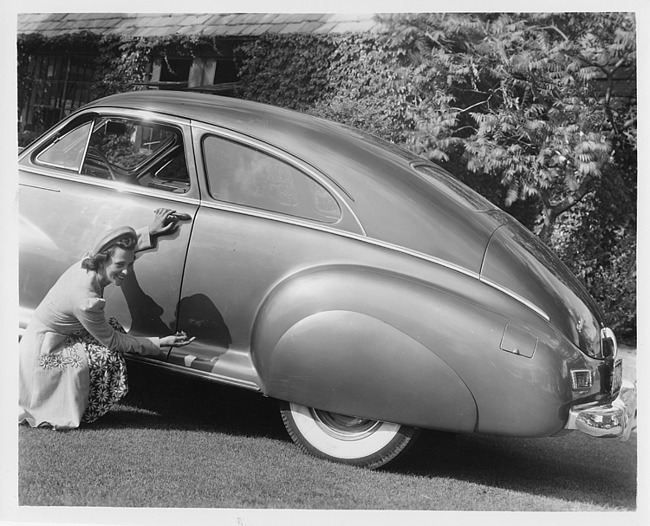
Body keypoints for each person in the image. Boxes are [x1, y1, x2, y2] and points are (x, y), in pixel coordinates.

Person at [19, 209, 194, 430]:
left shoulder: (90, 261)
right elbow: (113, 342)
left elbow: (121, 252)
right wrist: (160, 342)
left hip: (54, 337)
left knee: (112, 327)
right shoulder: (86, 299)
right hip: (44, 354)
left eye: (130, 264)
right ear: (103, 261)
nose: (127, 271)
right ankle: (85, 407)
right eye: (120, 266)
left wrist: (150, 231)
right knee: (108, 355)